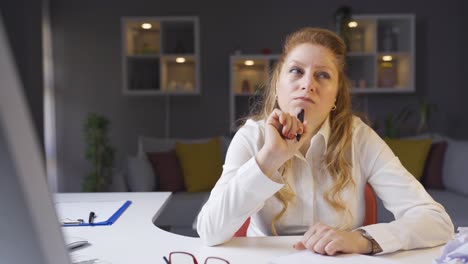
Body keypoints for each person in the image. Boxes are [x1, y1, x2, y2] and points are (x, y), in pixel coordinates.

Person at [196, 27, 453, 255]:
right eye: (296, 71)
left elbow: (435, 220)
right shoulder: (252, 137)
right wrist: (269, 158)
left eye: (323, 75)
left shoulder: (358, 137)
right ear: (277, 86)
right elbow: (209, 231)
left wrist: (361, 239)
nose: (307, 84)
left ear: (335, 99)